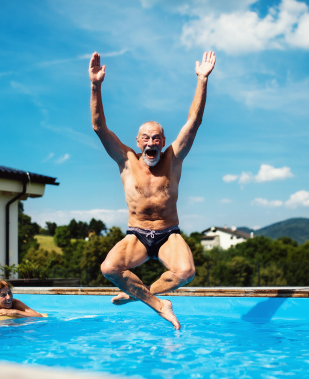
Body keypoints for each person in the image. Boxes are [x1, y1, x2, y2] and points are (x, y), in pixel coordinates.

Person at [89, 50, 216, 329]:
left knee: (185, 272)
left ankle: (141, 294)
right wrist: (95, 85)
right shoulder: (126, 160)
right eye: (145, 137)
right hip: (137, 234)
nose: (151, 142)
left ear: (163, 141)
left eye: (156, 138)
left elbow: (194, 122)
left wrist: (202, 80)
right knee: (109, 268)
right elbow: (99, 127)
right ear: (137, 141)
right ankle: (159, 304)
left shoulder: (174, 157)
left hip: (168, 234)